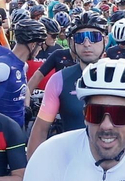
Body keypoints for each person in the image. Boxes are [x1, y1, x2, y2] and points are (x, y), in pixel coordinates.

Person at [28, 13, 109, 154]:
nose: (87, 43)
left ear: (105, 40)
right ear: (72, 43)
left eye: (94, 37)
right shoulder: (59, 80)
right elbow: (40, 130)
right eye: (80, 38)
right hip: (73, 163)